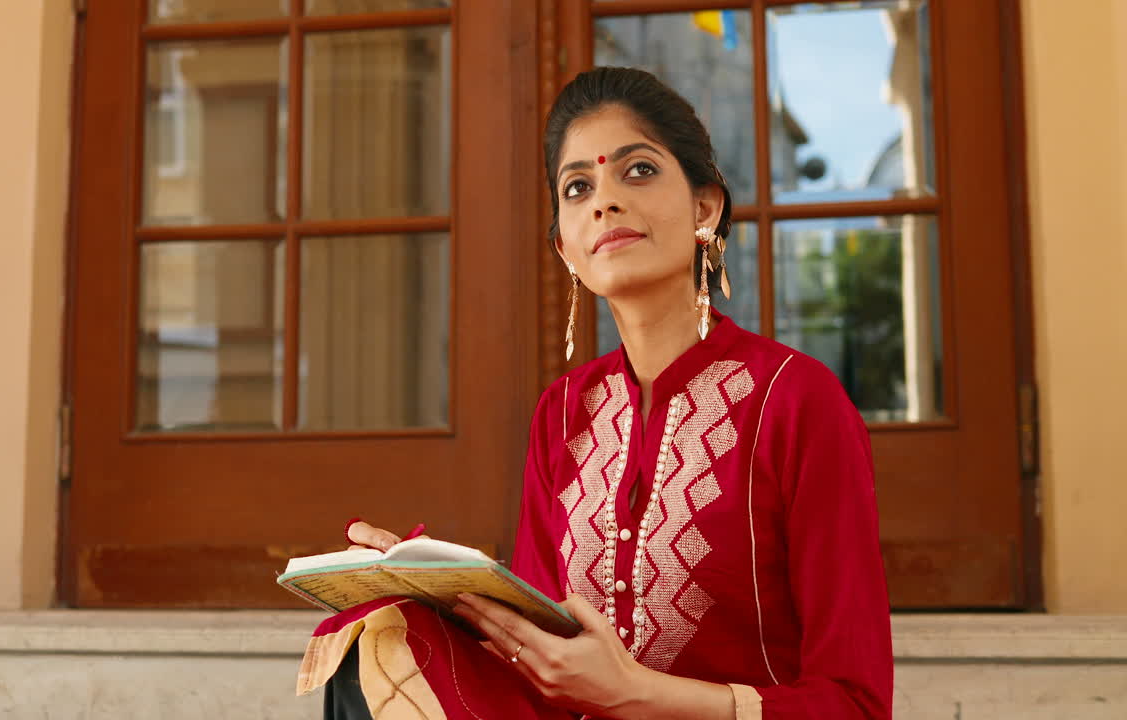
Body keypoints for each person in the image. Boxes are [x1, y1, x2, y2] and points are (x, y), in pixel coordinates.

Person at [299, 66, 893, 720]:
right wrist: (426, 589)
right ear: (566, 250)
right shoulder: (563, 414)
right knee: (380, 637)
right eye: (577, 186)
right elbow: (541, 656)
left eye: (637, 171)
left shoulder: (797, 401)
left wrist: (638, 694)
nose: (604, 200)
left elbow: (856, 704)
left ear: (705, 208)